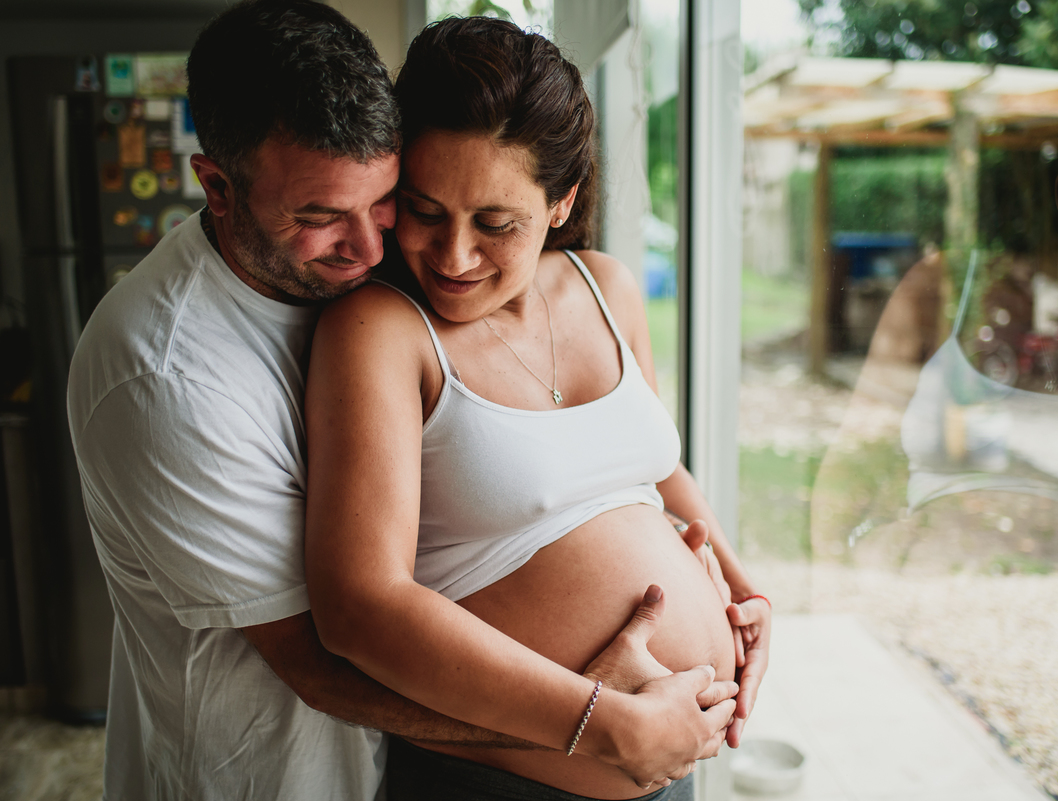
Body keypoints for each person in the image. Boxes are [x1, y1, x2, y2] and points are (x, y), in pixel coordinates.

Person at [65, 3, 738, 799]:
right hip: (276, 773)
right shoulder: (168, 378)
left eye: (386, 201)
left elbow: (638, 474)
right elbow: (326, 653)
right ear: (217, 185)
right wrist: (599, 719)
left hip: (640, 743)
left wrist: (733, 590)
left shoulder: (559, 283)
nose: (379, 247)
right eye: (321, 217)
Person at [304, 16, 772, 801]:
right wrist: (601, 720)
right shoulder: (379, 332)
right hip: (497, 782)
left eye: (496, 224)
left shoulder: (607, 285)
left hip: (665, 767)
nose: (453, 256)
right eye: (423, 210)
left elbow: (655, 465)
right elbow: (358, 609)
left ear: (562, 201)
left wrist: (737, 583)